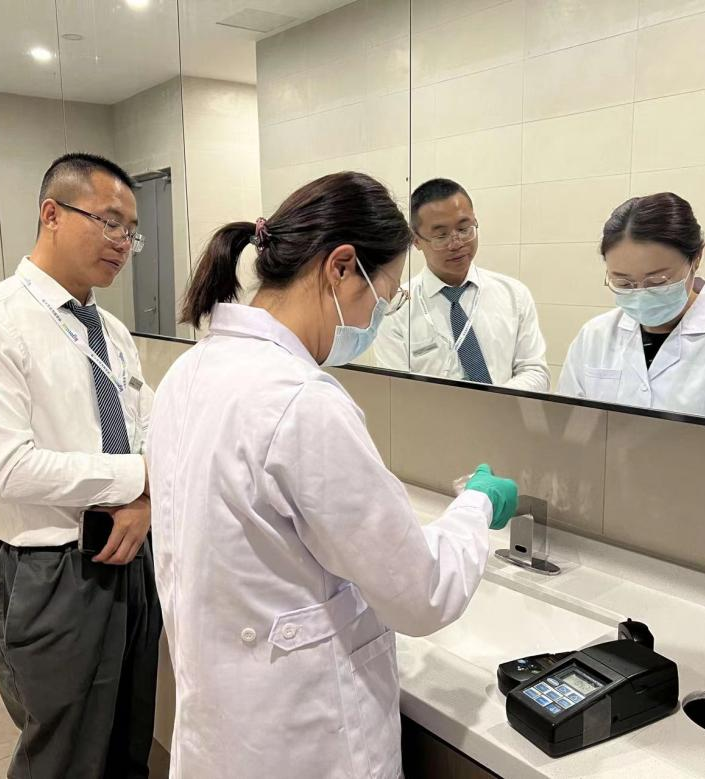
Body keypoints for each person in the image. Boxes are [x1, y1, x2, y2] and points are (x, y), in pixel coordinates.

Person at [146, 172, 520, 778]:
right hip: (306, 742)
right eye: (384, 296)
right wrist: (476, 504)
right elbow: (422, 593)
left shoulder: (189, 373)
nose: (377, 318)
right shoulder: (300, 400)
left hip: (223, 731)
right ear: (341, 268)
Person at [0, 152, 162, 777]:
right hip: (53, 572)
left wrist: (143, 503)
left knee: (127, 745)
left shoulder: (110, 330)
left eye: (131, 231)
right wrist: (142, 480)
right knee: (61, 760)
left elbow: (148, 429)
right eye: (109, 222)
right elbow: (10, 469)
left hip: (130, 559)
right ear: (52, 214)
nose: (123, 243)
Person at [559, 192, 705, 429]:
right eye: (623, 283)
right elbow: (569, 430)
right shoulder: (595, 336)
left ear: (697, 258)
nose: (641, 294)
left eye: (658, 281)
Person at [373, 178, 550, 390]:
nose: (456, 243)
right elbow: (395, 390)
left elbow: (535, 372)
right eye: (441, 235)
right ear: (416, 240)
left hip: (505, 408)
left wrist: (495, 403)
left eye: (464, 229)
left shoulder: (514, 295)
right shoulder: (396, 309)